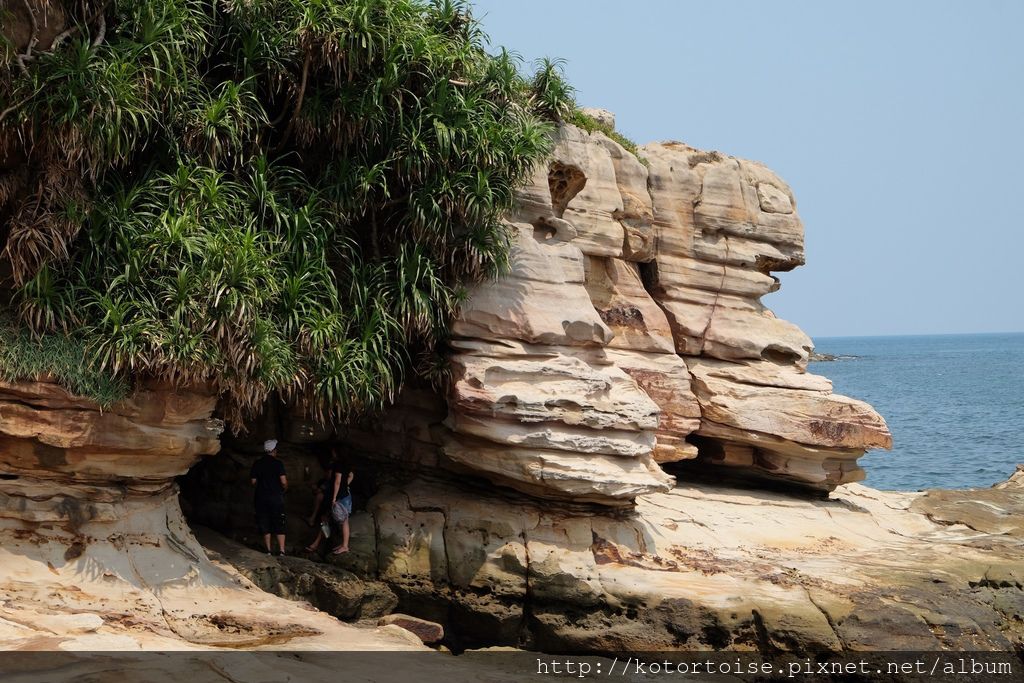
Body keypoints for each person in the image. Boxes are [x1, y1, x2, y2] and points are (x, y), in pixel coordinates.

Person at [304, 447, 354, 555]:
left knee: (329, 519)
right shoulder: (346, 464)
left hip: (338, 497)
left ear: (336, 453)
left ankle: (341, 545)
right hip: (345, 495)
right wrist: (346, 485)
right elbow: (351, 475)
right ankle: (319, 544)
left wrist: (334, 497)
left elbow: (337, 481)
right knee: (335, 519)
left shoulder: (337, 464)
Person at [250, 439, 287, 556]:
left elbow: (253, 481)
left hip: (261, 497)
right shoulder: (278, 463)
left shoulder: (257, 463)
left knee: (264, 521)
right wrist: (284, 488)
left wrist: (261, 487)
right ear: (274, 450)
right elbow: (283, 481)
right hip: (276, 498)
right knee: (279, 521)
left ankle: (268, 551)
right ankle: (282, 551)